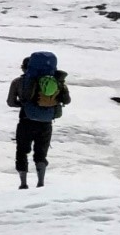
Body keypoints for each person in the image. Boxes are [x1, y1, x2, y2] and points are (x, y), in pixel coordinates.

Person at [6, 52, 71, 190]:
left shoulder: (18, 82)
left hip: (26, 120)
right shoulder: (54, 82)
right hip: (46, 123)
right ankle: (41, 182)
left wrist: (24, 104)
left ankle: (23, 183)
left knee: (22, 151)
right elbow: (67, 100)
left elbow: (11, 102)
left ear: (25, 68)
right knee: (41, 152)